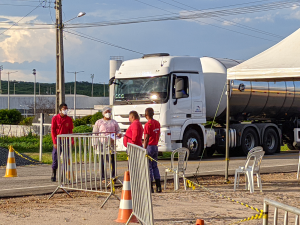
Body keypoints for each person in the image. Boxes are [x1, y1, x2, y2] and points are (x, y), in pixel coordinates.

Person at [93, 106, 121, 179]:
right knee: (102, 161)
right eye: (106, 112)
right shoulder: (99, 122)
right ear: (103, 113)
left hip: (111, 144)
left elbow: (118, 130)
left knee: (111, 161)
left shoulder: (114, 122)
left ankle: (113, 176)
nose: (108, 113)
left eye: (109, 112)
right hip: (102, 144)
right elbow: (95, 133)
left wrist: (119, 134)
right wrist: (95, 143)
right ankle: (103, 177)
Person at [51, 103, 74, 182]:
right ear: (60, 110)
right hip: (58, 139)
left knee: (66, 158)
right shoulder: (55, 118)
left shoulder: (69, 119)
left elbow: (70, 130)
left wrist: (71, 141)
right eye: (64, 109)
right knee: (55, 158)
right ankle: (54, 173)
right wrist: (55, 142)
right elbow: (53, 131)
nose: (65, 110)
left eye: (66, 109)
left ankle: (63, 175)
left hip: (66, 140)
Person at [144, 107, 161, 193]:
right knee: (155, 166)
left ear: (146, 115)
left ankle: (150, 187)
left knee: (149, 167)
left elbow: (146, 137)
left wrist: (144, 147)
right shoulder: (157, 123)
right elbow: (159, 133)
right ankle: (158, 186)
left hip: (149, 146)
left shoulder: (147, 125)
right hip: (155, 145)